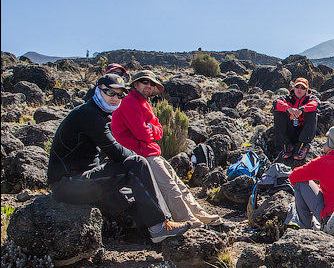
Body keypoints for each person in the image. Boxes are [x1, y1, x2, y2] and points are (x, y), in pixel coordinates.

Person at [46, 72, 190, 243]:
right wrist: (140, 158)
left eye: (120, 94)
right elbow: (116, 153)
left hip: (80, 180)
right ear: (98, 90)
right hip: (67, 184)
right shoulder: (90, 115)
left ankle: (157, 242)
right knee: (136, 164)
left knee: (128, 197)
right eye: (110, 92)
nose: (115, 98)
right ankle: (160, 224)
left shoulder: (99, 114)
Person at [110, 70, 225, 229]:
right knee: (169, 188)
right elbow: (142, 132)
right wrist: (151, 129)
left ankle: (200, 214)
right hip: (140, 155)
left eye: (151, 83)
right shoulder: (129, 101)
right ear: (135, 84)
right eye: (145, 82)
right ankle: (188, 221)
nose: (149, 86)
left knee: (179, 185)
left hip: (150, 152)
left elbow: (160, 131)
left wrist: (150, 129)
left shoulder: (144, 103)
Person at [273, 77, 318, 161]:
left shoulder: (310, 99)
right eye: (297, 87)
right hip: (290, 130)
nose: (299, 89)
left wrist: (301, 110)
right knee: (279, 111)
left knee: (312, 112)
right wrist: (288, 109)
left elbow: (315, 104)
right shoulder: (287, 99)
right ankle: (286, 145)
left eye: (303, 88)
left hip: (304, 131)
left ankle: (304, 145)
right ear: (293, 88)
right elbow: (276, 102)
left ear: (306, 90)